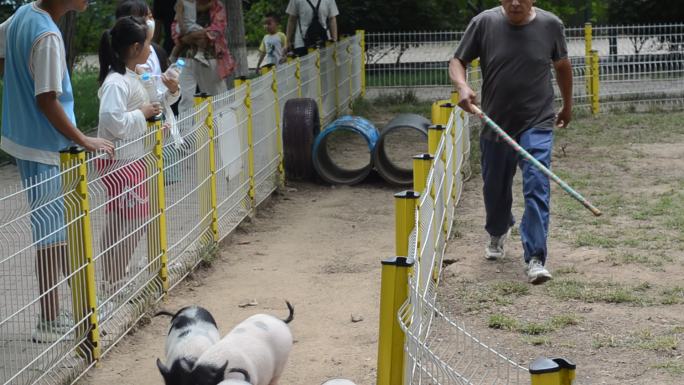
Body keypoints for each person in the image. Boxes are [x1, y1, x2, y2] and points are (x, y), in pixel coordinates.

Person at [0, 0, 114, 343]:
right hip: (45, 147)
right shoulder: (48, 35)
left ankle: (76, 305)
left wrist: (14, 92)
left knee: (55, 233)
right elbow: (46, 99)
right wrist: (84, 139)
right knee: (52, 238)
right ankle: (51, 318)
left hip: (25, 138)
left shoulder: (24, 14)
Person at [448, 0, 572, 284]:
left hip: (537, 120)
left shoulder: (551, 25)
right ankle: (498, 229)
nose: (515, 2)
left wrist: (567, 105)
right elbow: (458, 61)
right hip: (496, 123)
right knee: (495, 188)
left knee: (537, 185)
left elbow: (563, 65)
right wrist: (463, 86)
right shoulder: (484, 23)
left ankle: (536, 258)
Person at [96, 16, 179, 297]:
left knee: (122, 221)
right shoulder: (116, 82)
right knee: (131, 223)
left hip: (129, 160)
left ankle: (113, 277)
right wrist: (142, 115)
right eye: (146, 43)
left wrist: (157, 115)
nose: (150, 47)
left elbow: (151, 103)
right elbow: (113, 120)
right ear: (134, 47)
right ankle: (114, 281)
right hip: (121, 162)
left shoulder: (132, 75)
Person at [172, 0, 235, 113]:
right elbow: (175, 30)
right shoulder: (184, 4)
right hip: (185, 59)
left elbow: (216, 31)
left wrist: (188, 37)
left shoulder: (216, 6)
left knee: (217, 98)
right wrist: (189, 37)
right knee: (186, 100)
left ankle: (222, 127)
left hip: (209, 59)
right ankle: (187, 130)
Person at [170, 0, 209, 66]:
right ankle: (200, 53)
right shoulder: (181, 2)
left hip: (191, 25)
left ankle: (172, 57)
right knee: (205, 32)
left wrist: (209, 5)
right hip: (185, 25)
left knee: (201, 38)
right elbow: (179, 15)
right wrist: (182, 26)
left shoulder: (194, 2)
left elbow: (200, 9)